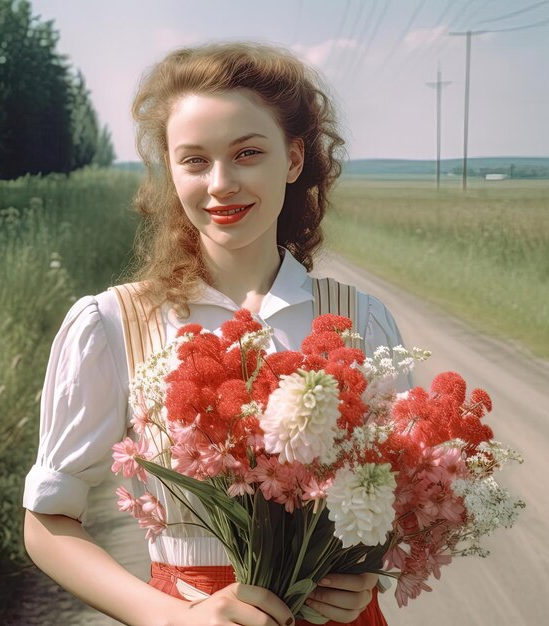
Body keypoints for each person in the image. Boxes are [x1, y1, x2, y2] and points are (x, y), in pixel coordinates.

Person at [23, 42, 408, 626]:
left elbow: (395, 495)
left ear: (295, 158)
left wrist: (365, 570)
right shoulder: (112, 325)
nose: (221, 183)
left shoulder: (361, 321)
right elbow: (47, 523)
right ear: (171, 171)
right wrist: (174, 618)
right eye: (195, 160)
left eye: (248, 152)